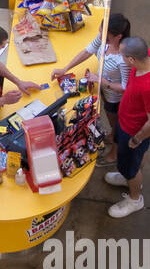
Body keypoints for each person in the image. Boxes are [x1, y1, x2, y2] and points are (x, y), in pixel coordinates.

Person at [50, 12, 131, 164]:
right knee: (110, 119)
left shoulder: (123, 58)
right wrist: (65, 69)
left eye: (105, 35)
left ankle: (114, 153)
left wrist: (101, 80)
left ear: (118, 36)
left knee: (117, 124)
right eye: (100, 32)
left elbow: (126, 87)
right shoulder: (103, 39)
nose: (101, 37)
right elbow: (87, 51)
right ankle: (112, 136)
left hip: (115, 98)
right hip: (104, 92)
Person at [103, 36, 150, 218]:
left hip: (133, 131)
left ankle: (134, 198)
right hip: (127, 123)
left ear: (131, 60)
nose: (120, 58)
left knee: (131, 166)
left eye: (122, 55)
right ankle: (127, 175)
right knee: (132, 162)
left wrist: (136, 139)